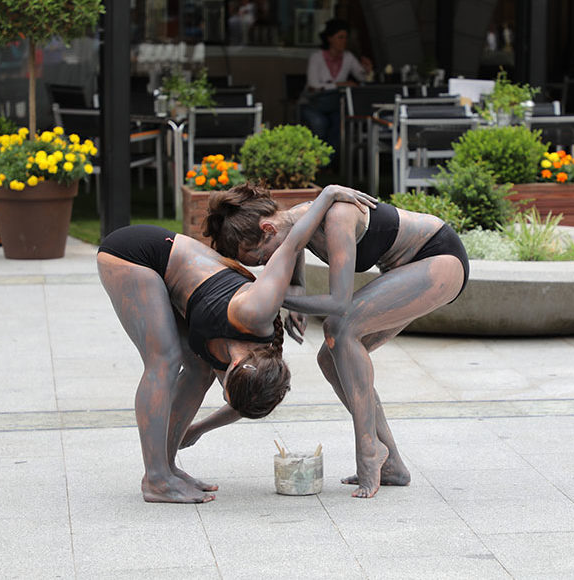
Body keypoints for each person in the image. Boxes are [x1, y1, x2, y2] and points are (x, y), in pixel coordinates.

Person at [181, 185, 469, 499]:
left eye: (262, 258)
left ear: (267, 229)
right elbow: (294, 260)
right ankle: (392, 465)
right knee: (329, 359)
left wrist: (272, 299)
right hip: (406, 267)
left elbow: (339, 302)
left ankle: (369, 451)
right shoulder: (299, 224)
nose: (267, 267)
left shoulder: (336, 216)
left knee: (340, 330)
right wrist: (295, 292)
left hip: (439, 258)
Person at [97, 184, 375, 504]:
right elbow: (291, 244)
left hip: (175, 282)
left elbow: (245, 402)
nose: (224, 392)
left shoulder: (253, 367)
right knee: (164, 361)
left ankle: (167, 467)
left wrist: (199, 428)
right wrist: (327, 196)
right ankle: (157, 478)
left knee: (199, 371)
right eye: (227, 389)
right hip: (136, 254)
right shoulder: (256, 310)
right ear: (236, 367)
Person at [300, 18, 373, 157]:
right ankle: (316, 160)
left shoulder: (348, 57)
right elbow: (313, 85)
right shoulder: (316, 57)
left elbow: (362, 78)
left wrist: (367, 70)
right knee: (319, 124)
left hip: (335, 105)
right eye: (340, 37)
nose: (344, 41)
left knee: (341, 125)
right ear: (329, 39)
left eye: (345, 37)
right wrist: (339, 85)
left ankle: (328, 161)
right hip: (313, 104)